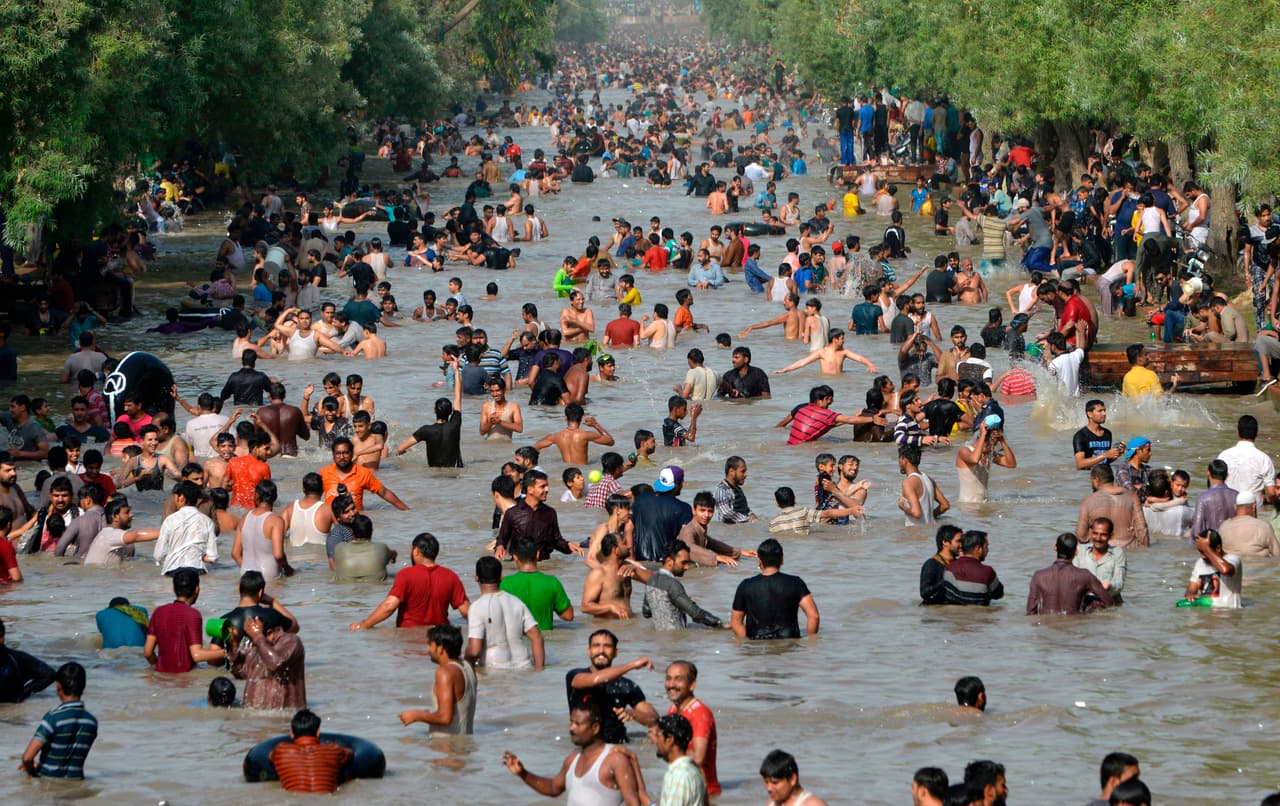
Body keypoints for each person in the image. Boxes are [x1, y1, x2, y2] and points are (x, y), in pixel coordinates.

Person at [502, 701, 645, 805]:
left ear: (595, 728)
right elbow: (553, 788)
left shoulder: (615, 759)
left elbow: (633, 803)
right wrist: (523, 774)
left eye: (578, 724)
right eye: (571, 722)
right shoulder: (572, 759)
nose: (571, 728)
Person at [350, 533, 469, 630]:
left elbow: (389, 606)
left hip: (409, 641)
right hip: (438, 640)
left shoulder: (406, 575)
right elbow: (466, 611)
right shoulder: (450, 576)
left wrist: (364, 625)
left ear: (416, 551)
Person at [565, 629, 659, 744]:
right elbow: (594, 680)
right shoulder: (575, 675)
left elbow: (654, 719)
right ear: (589, 651)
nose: (601, 651)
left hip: (616, 745)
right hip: (585, 746)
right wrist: (632, 665)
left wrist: (634, 714)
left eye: (607, 646)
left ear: (615, 652)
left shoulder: (626, 686)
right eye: (596, 646)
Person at [19, 662, 97, 779]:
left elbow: (27, 758)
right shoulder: (91, 721)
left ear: (59, 687)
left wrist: (33, 771)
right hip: (76, 784)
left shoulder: (53, 718)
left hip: (49, 785)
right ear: (83, 686)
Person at [466, 556, 544, 671]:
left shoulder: (476, 607)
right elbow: (537, 637)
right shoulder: (517, 602)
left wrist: (465, 664)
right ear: (501, 577)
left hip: (494, 669)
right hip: (524, 664)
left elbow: (474, 651)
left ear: (476, 578)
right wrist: (539, 669)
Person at [731, 538, 819, 639]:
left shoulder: (745, 585)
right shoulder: (795, 583)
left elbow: (736, 623)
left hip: (757, 647)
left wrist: (749, 643)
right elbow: (813, 616)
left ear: (759, 561)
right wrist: (811, 642)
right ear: (782, 559)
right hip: (788, 648)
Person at [398, 624, 477, 735]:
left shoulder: (445, 673)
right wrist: (430, 713)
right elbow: (457, 710)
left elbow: (445, 718)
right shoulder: (468, 667)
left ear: (440, 648)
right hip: (464, 746)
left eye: (430, 644)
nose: (428, 649)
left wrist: (416, 715)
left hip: (446, 747)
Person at [144, 567, 227, 673]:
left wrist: (159, 667)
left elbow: (147, 652)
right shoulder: (193, 615)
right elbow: (197, 655)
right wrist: (227, 652)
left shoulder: (158, 612)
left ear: (174, 588)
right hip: (185, 682)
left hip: (162, 680)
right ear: (197, 589)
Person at [495, 469, 585, 561]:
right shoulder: (512, 513)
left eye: (547, 486)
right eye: (543, 486)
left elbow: (556, 541)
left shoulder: (550, 513)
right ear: (530, 489)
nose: (547, 490)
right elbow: (502, 538)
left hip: (543, 565)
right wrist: (500, 547)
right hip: (519, 565)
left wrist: (568, 545)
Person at [227, 610, 306, 710]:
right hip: (255, 718)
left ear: (269, 633)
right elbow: (239, 673)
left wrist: (258, 637)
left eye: (253, 642)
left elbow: (276, 663)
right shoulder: (260, 644)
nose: (252, 646)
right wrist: (234, 646)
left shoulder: (291, 641)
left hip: (284, 720)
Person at [269, 709, 354, 794]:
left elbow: (270, 757)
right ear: (318, 733)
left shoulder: (280, 750)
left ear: (291, 733)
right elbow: (350, 753)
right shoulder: (335, 750)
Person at [1026, 533, 1115, 615]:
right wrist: (1088, 604)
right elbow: (1108, 602)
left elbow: (1031, 610)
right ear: (1076, 552)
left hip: (1047, 628)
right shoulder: (1085, 575)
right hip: (1075, 627)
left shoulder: (1038, 576)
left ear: (1055, 547)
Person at [500, 536, 574, 631]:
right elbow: (568, 616)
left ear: (515, 557)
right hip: (544, 641)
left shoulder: (505, 584)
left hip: (516, 640)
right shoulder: (552, 582)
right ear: (537, 554)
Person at [318, 438, 409, 511]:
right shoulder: (324, 473)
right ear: (333, 455)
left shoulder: (362, 473)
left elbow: (384, 492)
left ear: (352, 454)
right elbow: (313, 497)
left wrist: (406, 509)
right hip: (331, 522)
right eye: (338, 453)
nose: (342, 457)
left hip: (355, 521)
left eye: (345, 453)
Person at [1076, 463, 1150, 549]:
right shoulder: (1132, 496)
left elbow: (1081, 536)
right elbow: (1142, 531)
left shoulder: (1088, 501)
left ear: (1096, 479)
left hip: (1102, 551)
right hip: (1129, 549)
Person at [153, 481, 219, 574]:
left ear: (181, 498)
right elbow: (213, 557)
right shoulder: (207, 521)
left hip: (172, 571)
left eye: (175, 497)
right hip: (198, 571)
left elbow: (158, 555)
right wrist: (199, 556)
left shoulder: (169, 520)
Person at [395, 378, 463, 467]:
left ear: (434, 411)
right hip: (454, 475)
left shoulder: (426, 430)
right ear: (451, 412)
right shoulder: (455, 424)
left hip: (434, 477)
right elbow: (458, 396)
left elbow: (400, 448)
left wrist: (400, 452)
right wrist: (456, 371)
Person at [233, 479, 292, 579]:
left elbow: (235, 553)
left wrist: (249, 574)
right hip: (269, 576)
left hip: (246, 575)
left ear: (256, 496)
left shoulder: (244, 518)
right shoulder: (276, 521)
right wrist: (288, 569)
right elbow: (278, 555)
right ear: (275, 497)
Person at [955, 415, 1016, 504]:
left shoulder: (989, 454)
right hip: (967, 505)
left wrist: (1002, 441)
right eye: (993, 442)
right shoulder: (964, 451)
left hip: (983, 503)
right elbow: (975, 460)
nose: (994, 446)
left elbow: (1011, 464)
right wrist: (983, 434)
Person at [649, 713, 706, 806]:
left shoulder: (680, 776)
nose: (656, 741)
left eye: (658, 735)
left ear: (669, 740)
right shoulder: (693, 770)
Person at [1217, 415, 1276, 502]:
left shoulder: (1223, 456)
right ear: (1257, 433)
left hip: (1228, 511)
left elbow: (1215, 486)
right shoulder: (1264, 459)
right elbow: (1271, 493)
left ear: (1237, 432)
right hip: (1253, 512)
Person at [535, 403, 615, 464]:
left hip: (567, 472)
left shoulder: (556, 436)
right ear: (581, 417)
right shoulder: (586, 435)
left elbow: (536, 446)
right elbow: (610, 442)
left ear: (565, 417)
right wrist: (595, 425)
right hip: (582, 472)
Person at [0, 617, 55, 702]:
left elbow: (49, 674)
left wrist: (26, 692)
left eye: (0, 636)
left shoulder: (17, 658)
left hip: (12, 709)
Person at [942, 530, 1004, 606]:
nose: (987, 550)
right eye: (986, 546)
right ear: (978, 549)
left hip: (952, 616)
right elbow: (999, 594)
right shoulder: (987, 572)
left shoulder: (949, 568)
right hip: (979, 616)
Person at [1073, 517, 1127, 602]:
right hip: (1083, 602)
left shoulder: (1118, 553)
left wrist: (1110, 586)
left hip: (1109, 603)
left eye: (1103, 535)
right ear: (1090, 532)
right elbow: (1072, 579)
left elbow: (1119, 584)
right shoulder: (1080, 551)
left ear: (1111, 536)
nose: (1098, 538)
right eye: (1095, 533)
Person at [1186, 529, 1242, 608]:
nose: (1202, 556)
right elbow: (1191, 589)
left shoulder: (1233, 559)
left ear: (1218, 548)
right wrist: (1190, 595)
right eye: (1200, 552)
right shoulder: (1200, 563)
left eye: (1205, 552)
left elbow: (1226, 571)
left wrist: (1206, 548)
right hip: (1206, 616)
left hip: (1229, 616)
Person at [332, 513, 397, 582]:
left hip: (345, 590)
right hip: (375, 590)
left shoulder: (339, 548)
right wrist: (393, 557)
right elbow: (393, 554)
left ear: (351, 532)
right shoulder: (382, 548)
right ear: (372, 532)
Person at [1217, 490, 1280, 557]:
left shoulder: (1223, 527)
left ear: (1235, 507)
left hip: (1233, 566)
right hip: (1258, 566)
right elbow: (1277, 554)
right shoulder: (1264, 526)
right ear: (1254, 507)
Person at [899, 444, 949, 526]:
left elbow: (917, 513)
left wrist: (902, 507)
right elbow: (945, 505)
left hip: (915, 534)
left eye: (899, 458)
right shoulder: (928, 479)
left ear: (904, 460)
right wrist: (930, 516)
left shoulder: (908, 483)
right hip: (928, 532)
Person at [760, 749, 829, 806]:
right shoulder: (771, 803)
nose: (769, 788)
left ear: (792, 779)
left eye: (775, 782)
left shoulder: (813, 804)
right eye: (766, 782)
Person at [1191, 459, 1239, 538]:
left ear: (1208, 473)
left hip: (1212, 545)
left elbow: (1197, 531)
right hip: (1232, 543)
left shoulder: (1203, 498)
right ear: (1227, 475)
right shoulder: (1237, 495)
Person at [920, 525, 964, 605]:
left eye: (962, 541)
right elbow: (924, 592)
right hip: (935, 613)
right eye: (958, 541)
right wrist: (945, 582)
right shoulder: (931, 564)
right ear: (945, 542)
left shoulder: (958, 563)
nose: (962, 545)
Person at [1073, 399, 1122, 471]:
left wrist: (1116, 454)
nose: (1104, 414)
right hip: (1086, 477)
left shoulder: (1107, 433)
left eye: (1104, 410)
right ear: (1089, 414)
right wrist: (1105, 455)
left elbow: (1105, 461)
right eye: (1100, 411)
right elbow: (1080, 464)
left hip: (1104, 474)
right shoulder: (1080, 435)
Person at [712, 456, 755, 524]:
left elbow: (745, 509)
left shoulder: (738, 489)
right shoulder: (722, 490)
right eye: (742, 471)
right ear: (731, 471)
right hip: (729, 532)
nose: (745, 475)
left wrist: (754, 518)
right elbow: (725, 513)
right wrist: (748, 520)